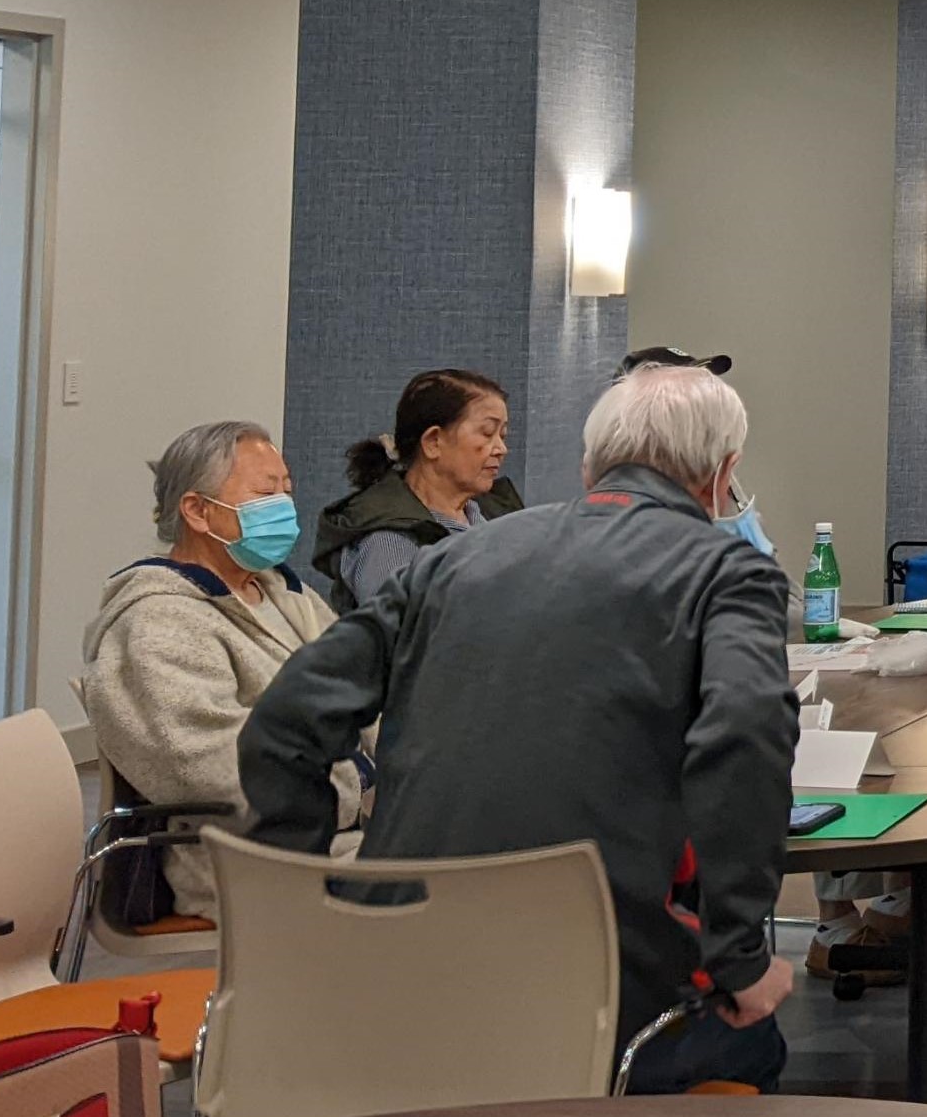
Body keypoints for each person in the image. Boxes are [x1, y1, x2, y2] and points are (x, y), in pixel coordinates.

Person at [242, 358, 797, 1093]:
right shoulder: (727, 569)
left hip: (387, 974)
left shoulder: (452, 561)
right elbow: (745, 736)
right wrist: (738, 957)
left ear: (590, 463)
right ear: (723, 478)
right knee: (757, 1043)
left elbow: (284, 721)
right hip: (594, 992)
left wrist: (305, 894)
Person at [81, 421, 365, 921]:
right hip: (257, 861)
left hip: (342, 833)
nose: (284, 506)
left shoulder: (282, 595)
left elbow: (365, 688)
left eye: (286, 490)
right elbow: (213, 767)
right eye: (264, 493)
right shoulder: (158, 622)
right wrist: (362, 783)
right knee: (474, 894)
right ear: (197, 510)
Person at [306, 366, 522, 611]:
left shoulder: (497, 515)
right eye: (487, 433)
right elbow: (411, 636)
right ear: (433, 442)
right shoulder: (388, 540)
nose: (501, 449)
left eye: (502, 436)